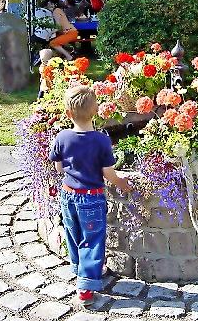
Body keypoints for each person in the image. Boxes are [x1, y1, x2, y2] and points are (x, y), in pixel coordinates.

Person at [49, 85, 131, 306]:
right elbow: (108, 174)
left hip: (68, 196)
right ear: (95, 111)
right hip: (91, 198)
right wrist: (123, 184)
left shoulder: (62, 137)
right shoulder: (101, 140)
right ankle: (86, 286)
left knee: (73, 234)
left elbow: (58, 168)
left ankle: (80, 269)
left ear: (68, 114)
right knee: (92, 240)